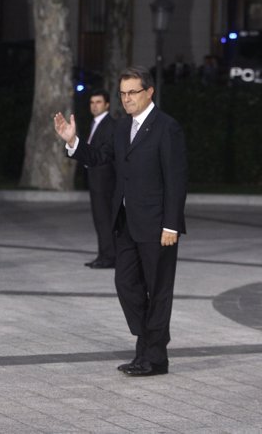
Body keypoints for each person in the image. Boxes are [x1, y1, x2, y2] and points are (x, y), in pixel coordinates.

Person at [54, 66, 187, 377]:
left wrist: (172, 225)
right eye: (123, 94)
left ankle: (153, 357)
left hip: (157, 226)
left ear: (149, 92)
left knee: (158, 289)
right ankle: (150, 344)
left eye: (133, 93)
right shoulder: (121, 127)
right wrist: (73, 142)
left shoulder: (167, 128)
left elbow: (177, 180)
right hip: (126, 222)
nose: (127, 99)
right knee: (125, 283)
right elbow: (99, 158)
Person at [84, 89, 116, 269]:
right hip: (96, 179)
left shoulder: (109, 125)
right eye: (92, 102)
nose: (94, 106)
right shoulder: (95, 123)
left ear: (107, 104)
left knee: (104, 219)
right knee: (100, 218)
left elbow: (107, 154)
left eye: (98, 102)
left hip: (104, 180)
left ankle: (109, 257)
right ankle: (103, 254)